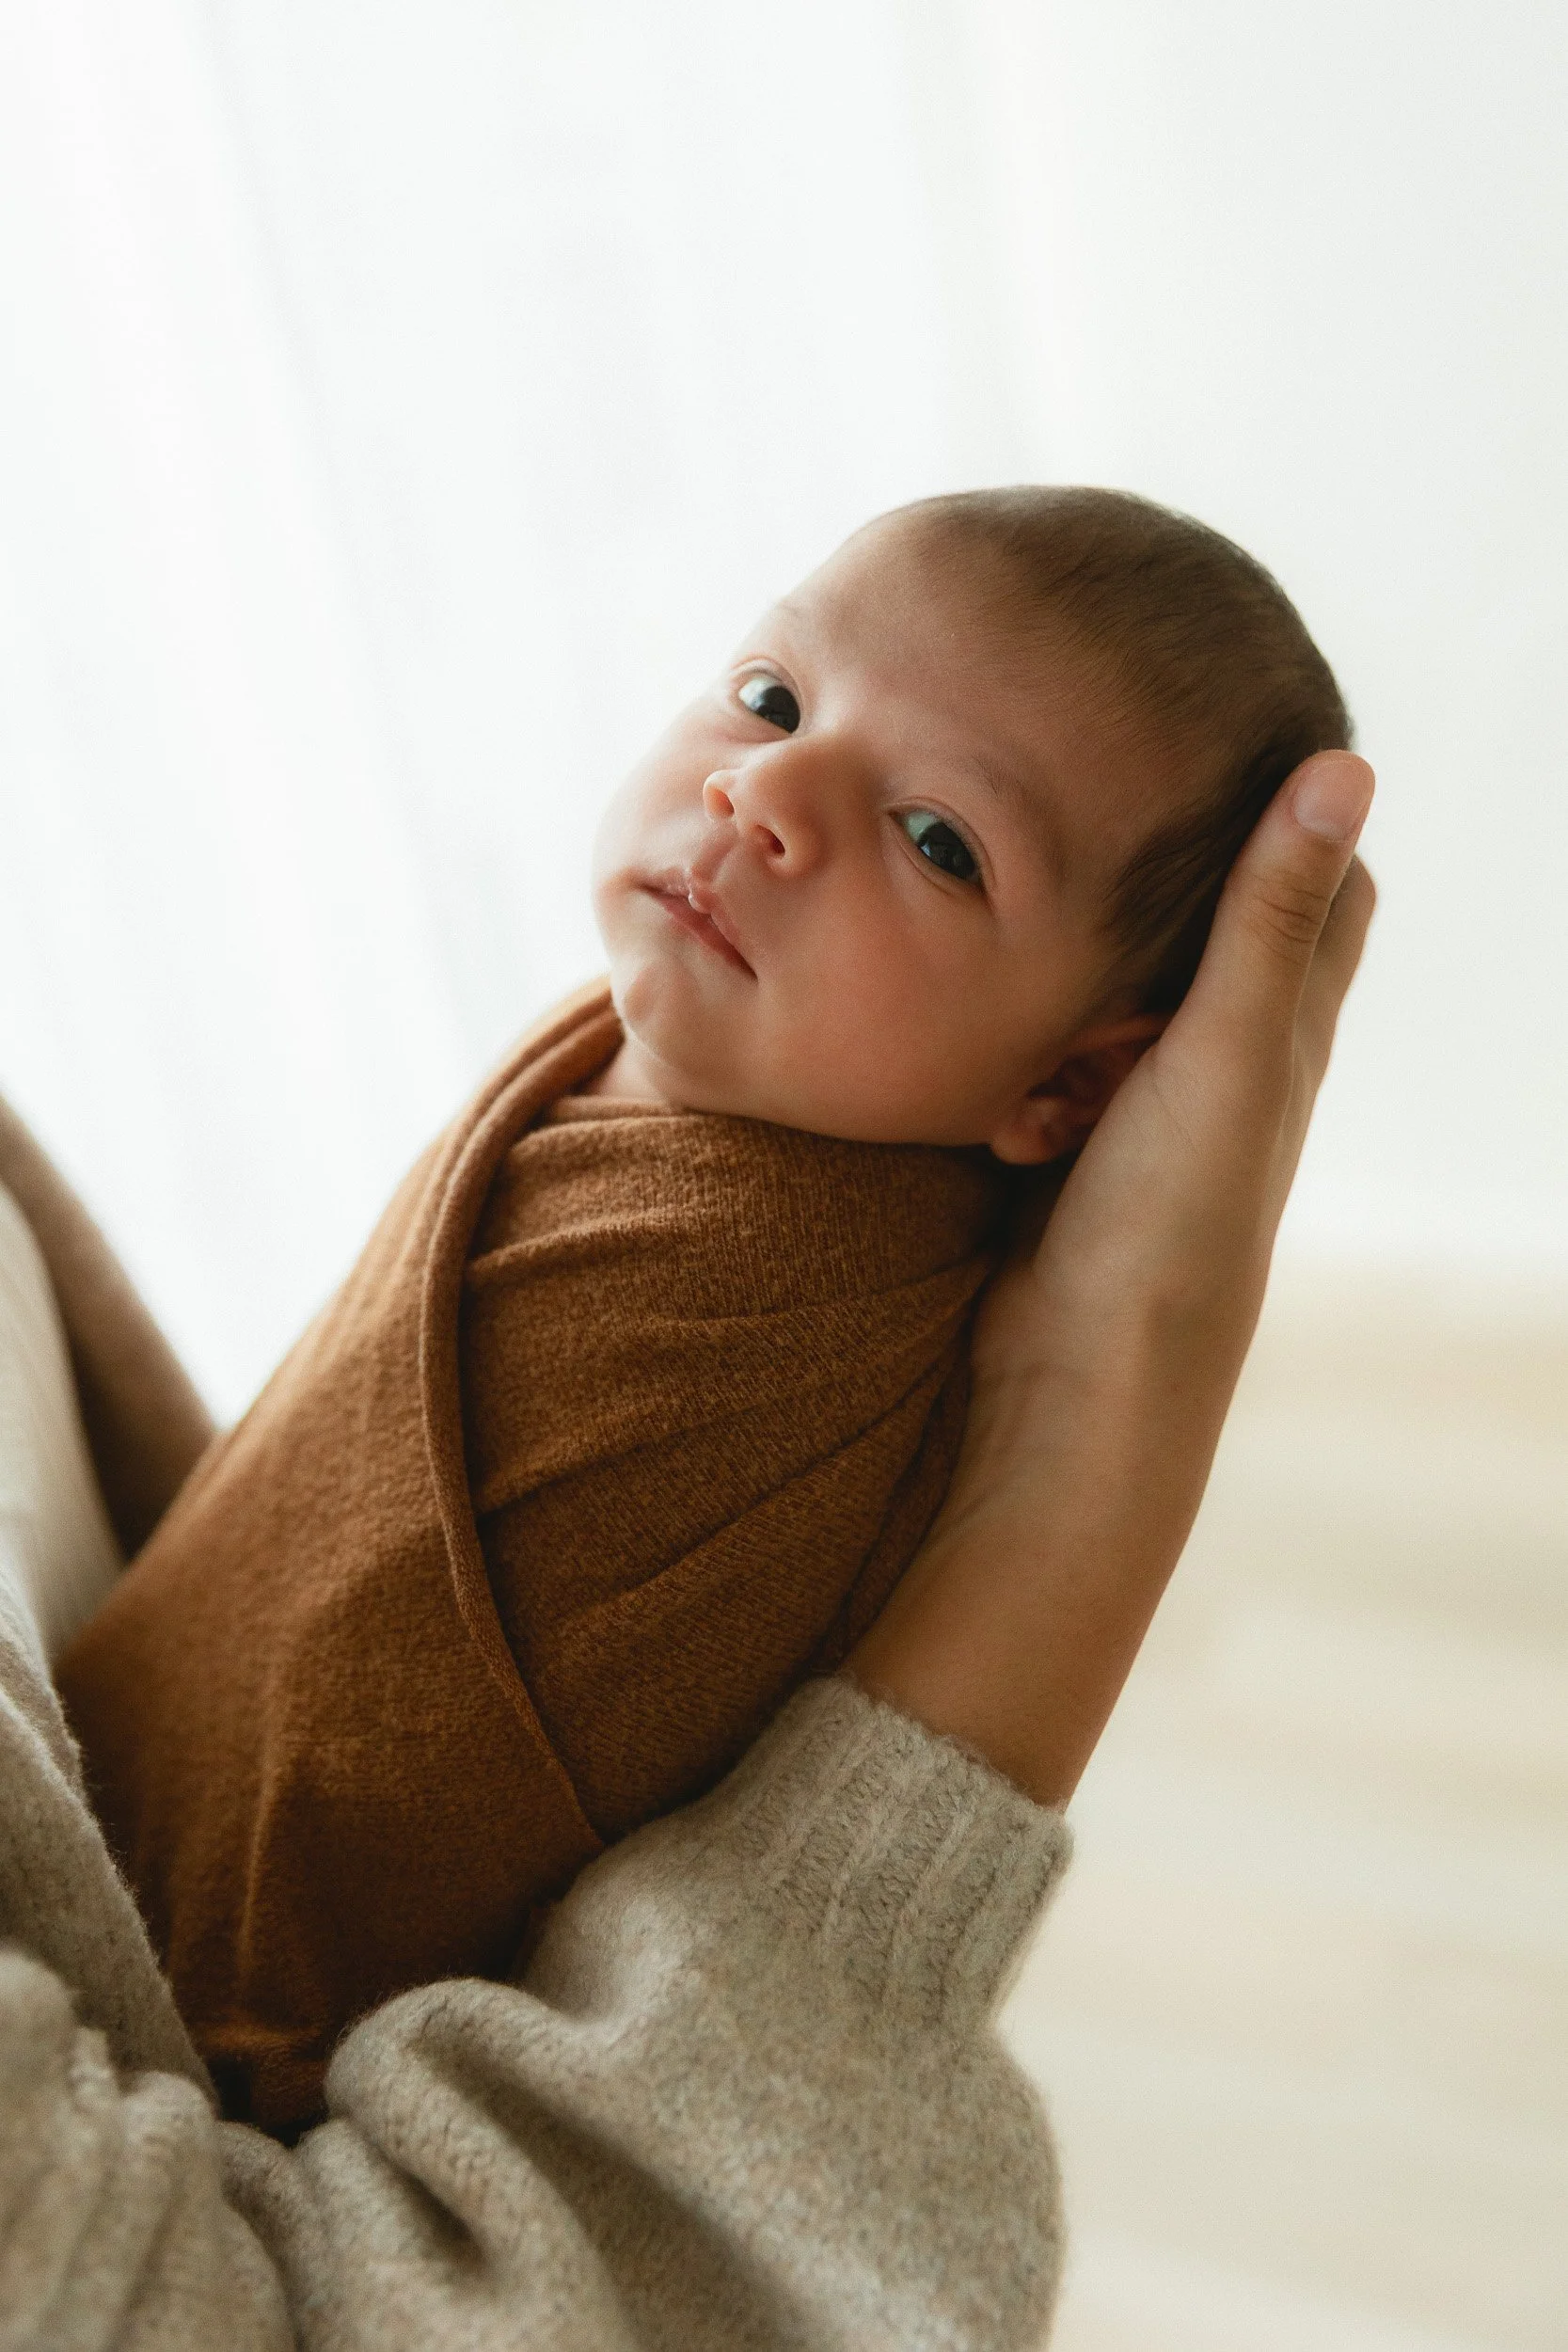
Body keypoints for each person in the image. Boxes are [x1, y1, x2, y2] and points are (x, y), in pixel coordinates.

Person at [0, 749, 1374, 2348]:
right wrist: (1091, 1452)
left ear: (1065, 1092)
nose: (762, 784)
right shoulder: (622, 1089)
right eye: (773, 694)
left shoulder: (799, 1317)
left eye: (937, 841)